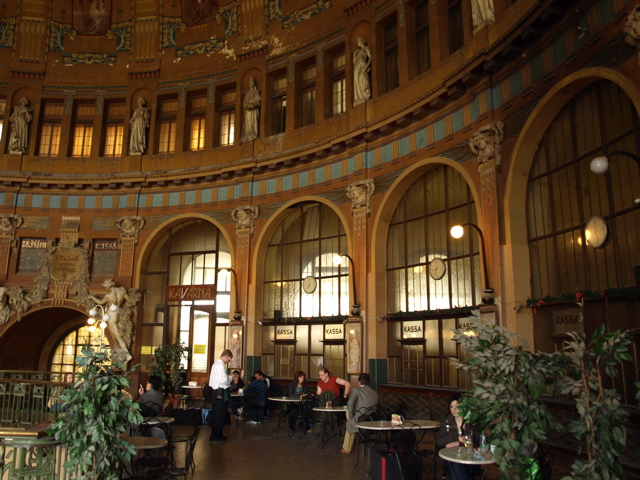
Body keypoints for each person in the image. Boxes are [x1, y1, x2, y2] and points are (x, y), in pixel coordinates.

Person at [435, 394, 481, 480]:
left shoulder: (473, 422)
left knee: (454, 471)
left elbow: (479, 443)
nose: (454, 409)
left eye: (457, 406)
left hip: (471, 459)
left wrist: (456, 443)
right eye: (451, 406)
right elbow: (438, 442)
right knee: (454, 462)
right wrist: (456, 437)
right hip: (452, 458)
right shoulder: (447, 421)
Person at [341, 372, 379, 454]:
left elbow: (350, 403)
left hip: (359, 420)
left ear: (360, 382)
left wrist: (351, 417)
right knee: (352, 418)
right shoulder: (375, 394)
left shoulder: (357, 390)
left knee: (349, 417)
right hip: (371, 421)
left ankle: (347, 448)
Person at [207, 349, 233, 444]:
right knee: (219, 414)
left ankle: (218, 434)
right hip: (220, 392)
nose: (228, 361)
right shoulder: (220, 365)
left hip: (217, 392)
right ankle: (216, 436)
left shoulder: (216, 364)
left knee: (218, 414)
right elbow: (223, 380)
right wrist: (230, 377)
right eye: (229, 359)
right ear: (226, 357)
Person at [240, 76, 261, 143]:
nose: (250, 84)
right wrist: (247, 105)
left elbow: (258, 100)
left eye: (251, 82)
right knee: (248, 122)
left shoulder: (256, 92)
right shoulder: (247, 94)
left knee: (253, 121)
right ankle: (248, 134)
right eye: (249, 83)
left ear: (253, 83)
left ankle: (253, 134)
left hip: (253, 110)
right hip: (248, 111)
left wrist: (252, 104)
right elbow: (244, 103)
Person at [353, 37, 372, 106]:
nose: (358, 42)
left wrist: (367, 66)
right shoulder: (356, 52)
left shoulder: (366, 48)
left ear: (362, 41)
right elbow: (354, 62)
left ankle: (365, 95)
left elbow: (370, 57)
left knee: (363, 79)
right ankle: (359, 97)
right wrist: (354, 56)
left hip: (362, 65)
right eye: (357, 41)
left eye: (358, 40)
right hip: (356, 67)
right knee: (356, 80)